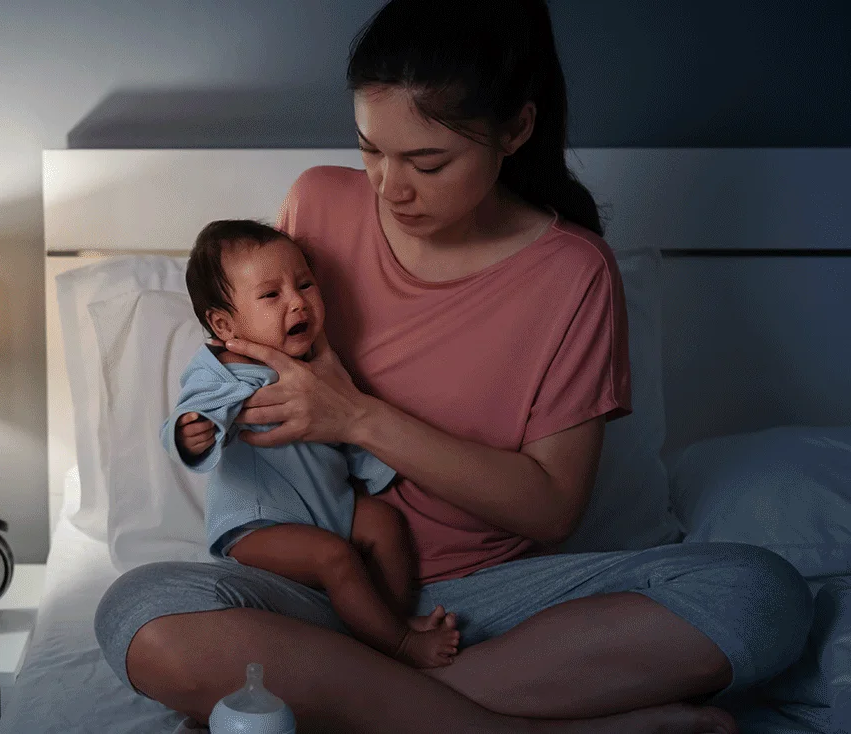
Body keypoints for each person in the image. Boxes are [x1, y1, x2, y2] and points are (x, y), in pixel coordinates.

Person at [95, 1, 812, 732]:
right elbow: (247, 362)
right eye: (371, 150)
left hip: (492, 600)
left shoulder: (574, 274)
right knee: (139, 612)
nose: (388, 187)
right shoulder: (318, 204)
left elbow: (551, 508)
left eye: (427, 161)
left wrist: (359, 417)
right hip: (317, 590)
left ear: (515, 130)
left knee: (761, 595)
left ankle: (351, 700)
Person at [164, 219, 460, 669]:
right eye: (271, 295)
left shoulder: (321, 366)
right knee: (334, 557)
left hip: (331, 506)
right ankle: (398, 648)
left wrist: (376, 466)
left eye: (305, 284)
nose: (297, 302)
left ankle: (388, 621)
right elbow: (193, 410)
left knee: (384, 524)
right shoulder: (223, 370)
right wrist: (191, 430)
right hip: (259, 525)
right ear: (224, 323)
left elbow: (346, 431)